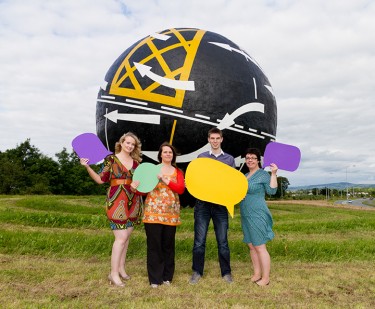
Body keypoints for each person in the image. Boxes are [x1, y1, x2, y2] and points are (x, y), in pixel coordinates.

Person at [80, 132, 143, 287]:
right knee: (120, 238)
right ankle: (113, 274)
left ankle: (121, 269)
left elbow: (141, 183)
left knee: (126, 237)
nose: (129, 146)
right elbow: (100, 180)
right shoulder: (111, 159)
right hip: (116, 200)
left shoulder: (136, 163)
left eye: (132, 144)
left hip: (134, 201)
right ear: (121, 143)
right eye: (127, 143)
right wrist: (87, 166)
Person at [190, 127, 235, 285]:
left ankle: (226, 273)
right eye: (212, 138)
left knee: (222, 241)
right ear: (208, 140)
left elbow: (231, 182)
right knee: (199, 241)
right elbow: (197, 179)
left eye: (217, 138)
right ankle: (197, 272)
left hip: (220, 206)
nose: (215, 141)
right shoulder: (201, 157)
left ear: (221, 139)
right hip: (202, 205)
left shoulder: (229, 159)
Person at [142, 142, 185, 288]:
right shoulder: (152, 169)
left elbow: (180, 189)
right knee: (154, 246)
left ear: (173, 155)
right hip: (152, 214)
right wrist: (135, 187)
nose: (168, 154)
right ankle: (155, 279)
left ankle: (167, 277)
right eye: (165, 152)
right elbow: (143, 188)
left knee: (168, 246)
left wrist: (165, 179)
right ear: (160, 154)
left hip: (171, 214)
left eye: (170, 152)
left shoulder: (177, 171)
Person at [240, 148, 278, 286]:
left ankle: (266, 278)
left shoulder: (262, 174)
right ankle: (257, 274)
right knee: (251, 245)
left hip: (257, 213)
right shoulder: (244, 175)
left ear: (258, 160)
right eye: (247, 157)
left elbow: (272, 191)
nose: (250, 160)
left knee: (260, 246)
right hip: (245, 214)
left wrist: (273, 174)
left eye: (253, 158)